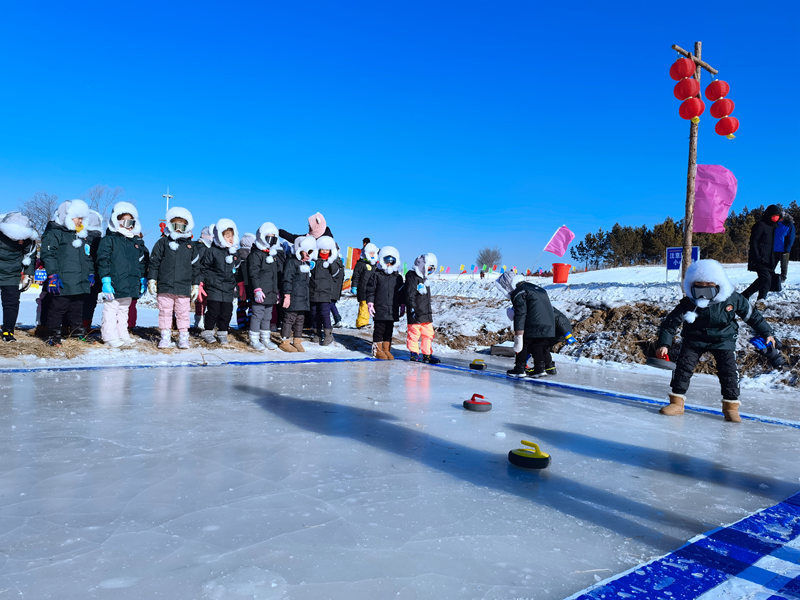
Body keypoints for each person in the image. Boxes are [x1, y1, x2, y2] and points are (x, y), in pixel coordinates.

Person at [655, 259, 774, 423]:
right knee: (683, 367)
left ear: (718, 286)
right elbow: (670, 323)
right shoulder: (689, 303)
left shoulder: (732, 299)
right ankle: (677, 403)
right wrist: (664, 344)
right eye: (698, 289)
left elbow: (752, 316)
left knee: (729, 372)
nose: (703, 295)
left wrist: (767, 332)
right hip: (694, 339)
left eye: (708, 290)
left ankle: (731, 407)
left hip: (723, 339)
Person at [40, 199, 95, 346]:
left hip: (79, 279)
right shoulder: (55, 233)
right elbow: (48, 255)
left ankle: (77, 332)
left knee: (77, 307)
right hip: (62, 278)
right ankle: (53, 334)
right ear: (67, 216)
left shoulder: (81, 236)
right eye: (78, 217)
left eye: (82, 218)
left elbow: (87, 256)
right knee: (58, 308)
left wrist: (90, 272)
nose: (80, 221)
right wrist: (52, 275)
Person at [147, 207, 201, 349]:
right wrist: (152, 279)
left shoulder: (191, 246)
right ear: (170, 225)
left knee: (183, 313)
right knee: (165, 312)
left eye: (182, 226)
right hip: (165, 286)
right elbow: (154, 263)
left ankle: (183, 337)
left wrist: (196, 284)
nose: (178, 229)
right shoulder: (162, 243)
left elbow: (196, 267)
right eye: (175, 225)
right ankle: (165, 336)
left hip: (183, 287)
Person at [96, 202, 147, 348]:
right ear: (117, 221)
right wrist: (105, 279)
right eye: (125, 221)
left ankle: (122, 333)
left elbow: (139, 261)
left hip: (129, 282)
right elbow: (103, 259)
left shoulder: (134, 242)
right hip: (114, 281)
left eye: (131, 222)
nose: (129, 225)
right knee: (111, 310)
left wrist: (141, 278)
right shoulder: (109, 240)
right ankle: (109, 336)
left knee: (124, 310)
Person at [495, 271, 556, 378]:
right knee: (538, 345)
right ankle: (539, 368)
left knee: (523, 344)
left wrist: (518, 334)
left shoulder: (519, 292)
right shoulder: (536, 288)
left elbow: (520, 313)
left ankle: (519, 368)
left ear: (507, 285)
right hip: (549, 323)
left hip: (533, 323)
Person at [198, 219, 241, 345]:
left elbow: (236, 270)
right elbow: (203, 268)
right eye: (227, 236)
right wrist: (202, 282)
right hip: (214, 287)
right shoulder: (212, 251)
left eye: (232, 236)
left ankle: (222, 332)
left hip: (227, 288)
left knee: (227, 312)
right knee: (213, 311)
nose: (230, 239)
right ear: (220, 236)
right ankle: (208, 331)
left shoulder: (233, 252)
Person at [0, 212, 38, 342]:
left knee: (11, 303)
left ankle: (8, 331)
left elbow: (30, 255)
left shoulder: (28, 240)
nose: (21, 241)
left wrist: (28, 274)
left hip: (12, 274)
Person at [246, 222, 284, 351]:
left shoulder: (272, 255)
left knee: (268, 316)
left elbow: (275, 276)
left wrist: (276, 291)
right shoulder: (256, 254)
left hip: (271, 292)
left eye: (274, 237)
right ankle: (254, 339)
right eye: (268, 237)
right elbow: (253, 273)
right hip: (260, 292)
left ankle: (265, 338)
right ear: (262, 237)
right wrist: (257, 289)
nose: (271, 240)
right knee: (257, 315)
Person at [365, 245, 403, 360]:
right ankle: (377, 350)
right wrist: (370, 303)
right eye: (387, 261)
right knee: (379, 329)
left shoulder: (398, 277)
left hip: (392, 309)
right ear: (382, 260)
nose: (389, 264)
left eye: (392, 262)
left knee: (389, 330)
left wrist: (402, 304)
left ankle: (386, 349)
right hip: (380, 307)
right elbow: (370, 290)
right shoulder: (376, 275)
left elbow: (401, 293)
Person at [279, 235, 316, 352]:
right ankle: (285, 342)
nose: (309, 255)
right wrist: (287, 295)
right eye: (307, 252)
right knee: (289, 318)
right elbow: (287, 279)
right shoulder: (291, 262)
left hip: (303, 298)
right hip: (293, 297)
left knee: (300, 319)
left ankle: (297, 340)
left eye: (311, 252)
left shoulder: (305, 265)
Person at [742, 204, 782, 301]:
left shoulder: (776, 227)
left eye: (777, 216)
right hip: (759, 259)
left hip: (770, 260)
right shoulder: (760, 225)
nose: (776, 218)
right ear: (769, 215)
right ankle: (761, 301)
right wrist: (757, 256)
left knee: (763, 280)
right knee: (766, 279)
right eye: (774, 215)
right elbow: (754, 241)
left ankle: (744, 296)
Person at [405, 252, 440, 364]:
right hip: (415, 313)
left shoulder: (426, 280)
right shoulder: (412, 277)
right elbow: (409, 295)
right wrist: (412, 309)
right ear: (422, 266)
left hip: (426, 313)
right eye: (429, 269)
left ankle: (427, 355)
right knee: (414, 335)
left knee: (428, 335)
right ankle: (414, 354)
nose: (430, 272)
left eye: (432, 270)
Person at [309, 235, 341, 346]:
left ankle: (328, 334)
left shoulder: (332, 262)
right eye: (322, 249)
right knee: (314, 314)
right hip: (313, 293)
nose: (324, 251)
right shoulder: (314, 261)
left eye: (327, 250)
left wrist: (330, 262)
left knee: (324, 314)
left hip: (325, 293)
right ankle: (316, 333)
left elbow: (336, 273)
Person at [82, 210, 104, 330]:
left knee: (79, 301)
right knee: (91, 302)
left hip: (81, 274)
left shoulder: (82, 239)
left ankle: (75, 325)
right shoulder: (100, 240)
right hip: (95, 275)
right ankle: (85, 325)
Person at [352, 242, 379, 328]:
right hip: (362, 288)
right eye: (370, 253)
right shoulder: (361, 264)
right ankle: (361, 323)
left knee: (369, 306)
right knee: (363, 306)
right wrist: (354, 286)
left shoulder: (375, 265)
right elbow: (356, 276)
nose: (372, 254)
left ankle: (366, 322)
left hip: (371, 290)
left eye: (373, 253)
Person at [193, 224, 214, 330]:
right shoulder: (202, 248)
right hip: (201, 279)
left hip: (206, 279)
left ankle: (201, 320)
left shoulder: (205, 247)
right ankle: (199, 321)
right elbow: (200, 265)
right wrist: (200, 280)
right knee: (201, 301)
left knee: (203, 301)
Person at [235, 232, 256, 331]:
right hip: (250, 285)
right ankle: (250, 325)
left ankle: (241, 324)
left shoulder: (237, 253)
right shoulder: (252, 254)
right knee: (252, 306)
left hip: (240, 285)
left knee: (241, 306)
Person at [774, 211, 795, 283]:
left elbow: (791, 237)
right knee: (771, 265)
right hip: (774, 249)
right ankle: (771, 278)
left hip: (784, 249)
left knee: (784, 265)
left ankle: (783, 279)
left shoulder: (789, 225)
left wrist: (788, 248)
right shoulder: (775, 224)